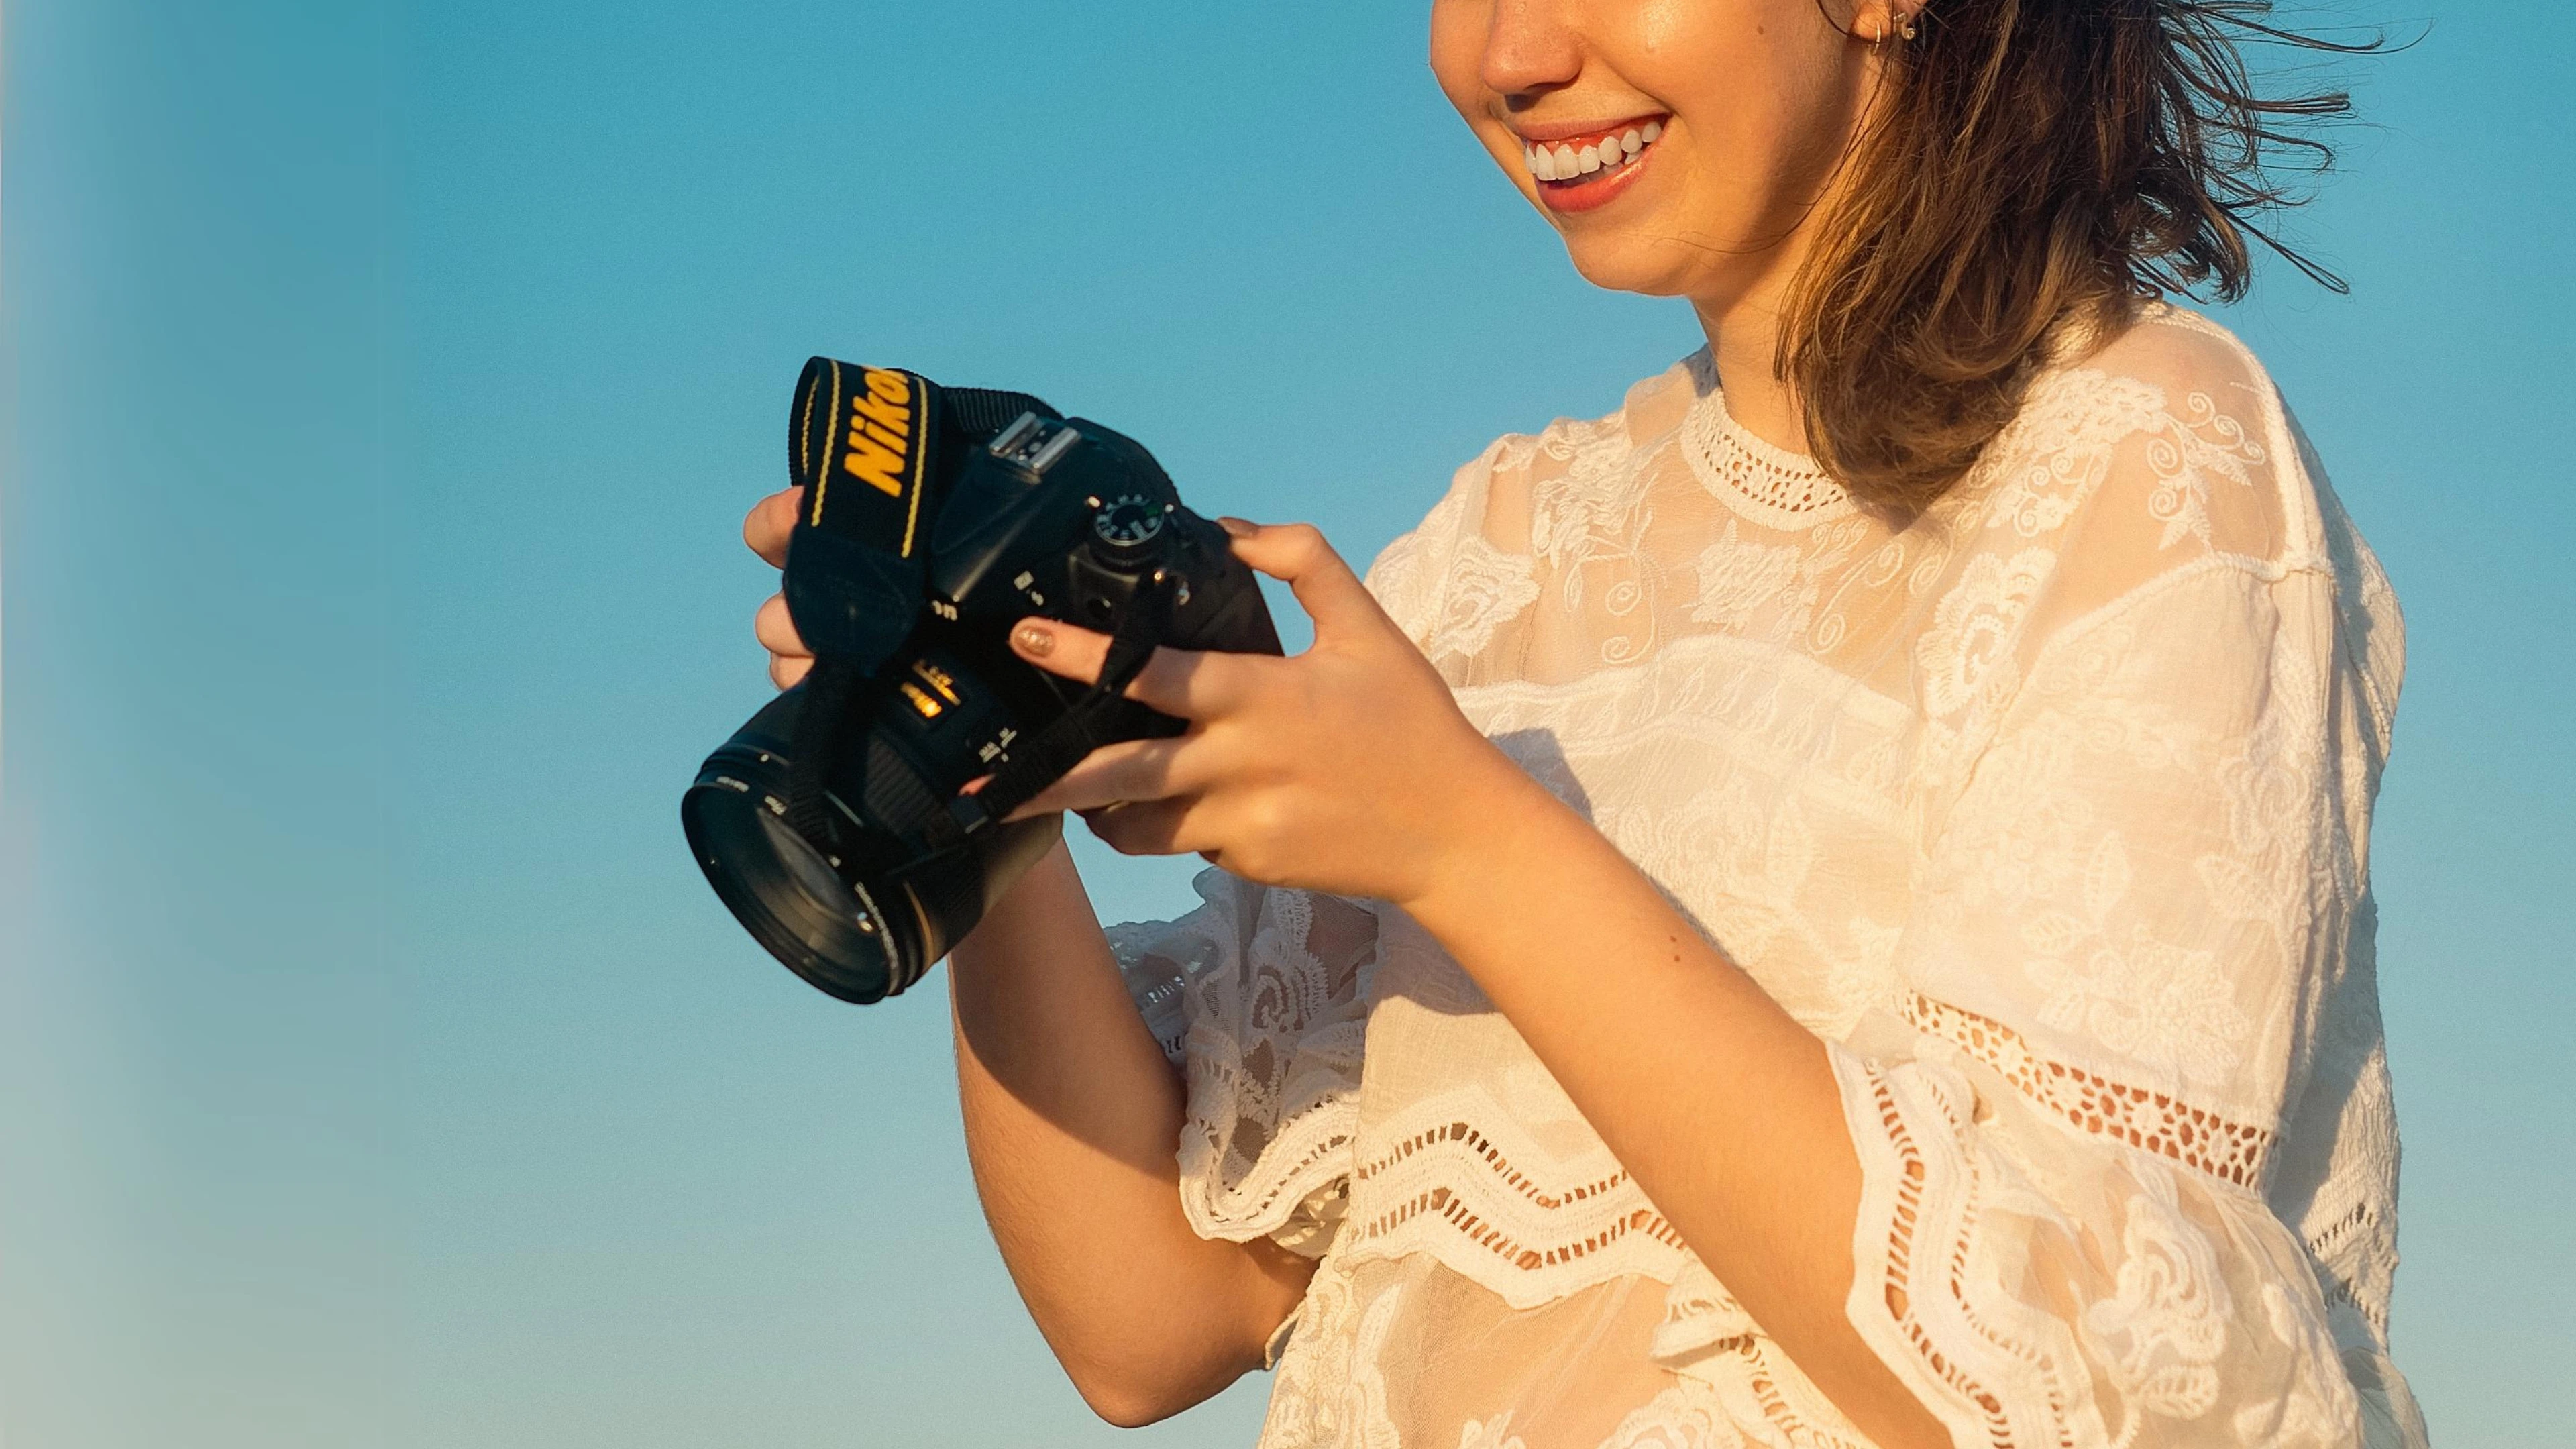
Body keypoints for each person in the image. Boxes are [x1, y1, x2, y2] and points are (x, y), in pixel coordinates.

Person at [743, 3, 2425, 1445]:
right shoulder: (1506, 549)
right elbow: (1151, 1317)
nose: (1509, 56)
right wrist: (982, 782)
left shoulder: (2143, 459)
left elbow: (2084, 1379)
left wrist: (1468, 845)